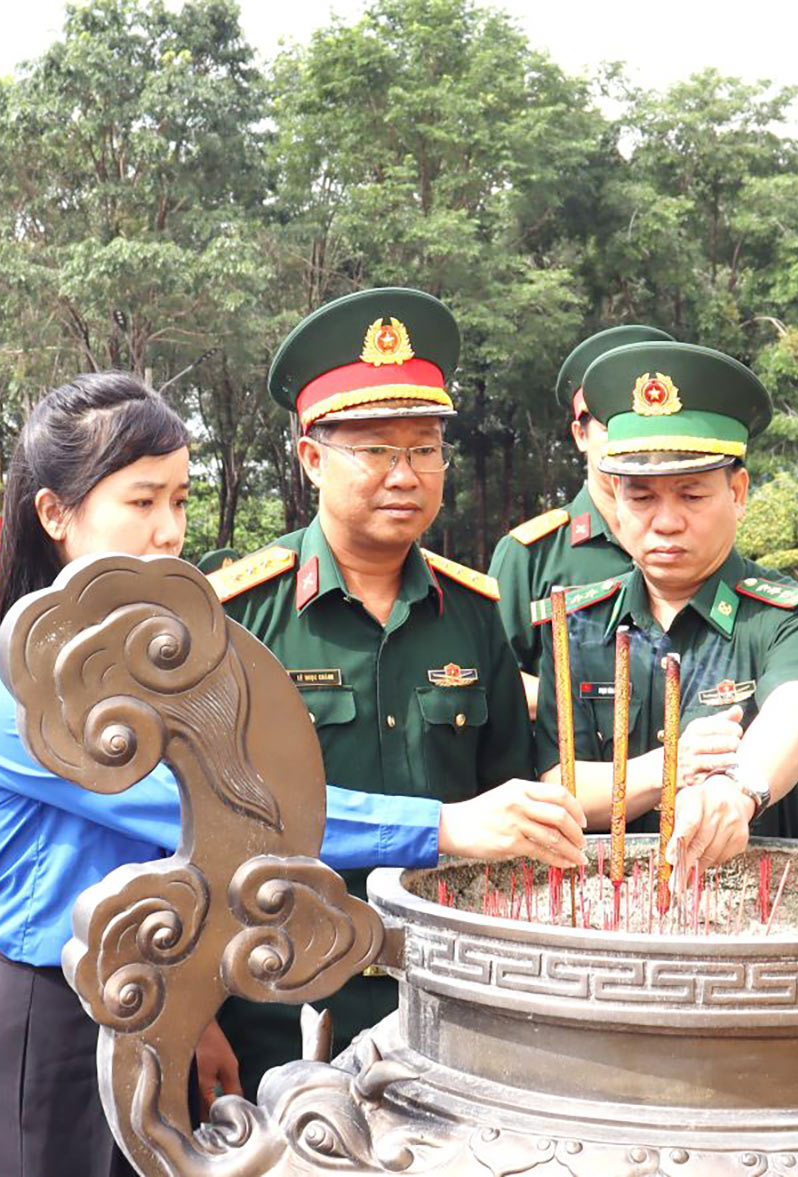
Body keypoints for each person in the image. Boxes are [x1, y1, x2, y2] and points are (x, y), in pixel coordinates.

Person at [0, 372, 584, 1177]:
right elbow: (220, 808)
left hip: (154, 1017)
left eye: (180, 500)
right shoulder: (22, 688)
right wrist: (444, 824)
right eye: (141, 502)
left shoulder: (158, 668)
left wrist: (198, 1013)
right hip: (52, 1036)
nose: (169, 531)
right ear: (54, 514)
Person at [209, 288, 566, 1088]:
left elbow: (508, 805)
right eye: (374, 450)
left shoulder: (474, 614)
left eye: (425, 449)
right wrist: (197, 1018)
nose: (405, 475)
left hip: (444, 998)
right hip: (277, 1003)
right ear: (311, 459)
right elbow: (197, 827)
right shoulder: (239, 616)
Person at [534, 340, 798, 875]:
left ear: (738, 492)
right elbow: (560, 785)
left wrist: (739, 789)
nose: (666, 521)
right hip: (611, 905)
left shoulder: (792, 617)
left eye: (692, 495)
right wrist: (670, 768)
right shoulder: (577, 625)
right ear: (616, 496)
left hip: (759, 905)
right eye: (642, 498)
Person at [489, 325, 671, 707]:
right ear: (580, 435)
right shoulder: (530, 556)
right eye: (612, 424)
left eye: (641, 425)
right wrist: (583, 704)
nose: (630, 441)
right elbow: (490, 675)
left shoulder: (689, 538)